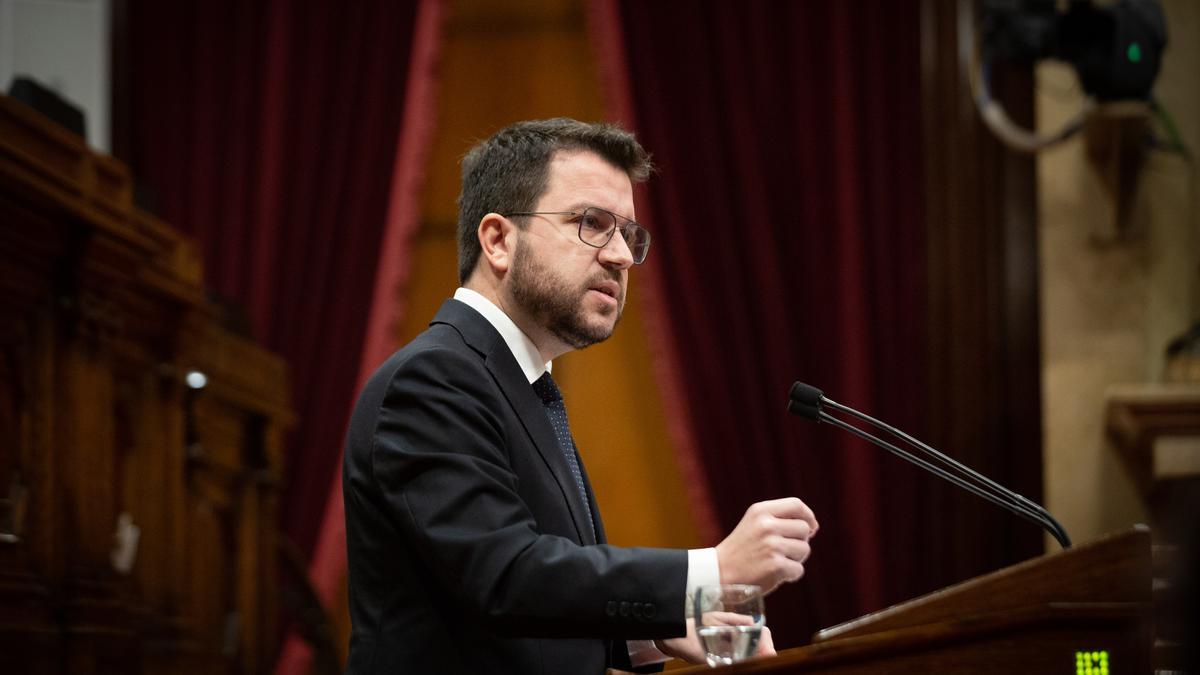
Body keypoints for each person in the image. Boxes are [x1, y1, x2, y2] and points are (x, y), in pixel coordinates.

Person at [342, 118, 819, 674]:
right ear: (498, 240)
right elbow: (507, 578)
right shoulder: (431, 380)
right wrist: (709, 572)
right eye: (591, 224)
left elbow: (535, 613)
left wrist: (661, 630)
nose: (620, 256)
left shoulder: (522, 387)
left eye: (629, 235)